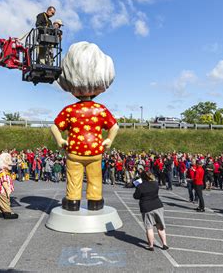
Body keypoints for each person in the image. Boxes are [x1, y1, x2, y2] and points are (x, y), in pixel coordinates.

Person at [51, 42, 119, 211]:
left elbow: (55, 126)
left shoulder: (70, 110)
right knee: (95, 177)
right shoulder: (100, 110)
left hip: (74, 151)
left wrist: (60, 140)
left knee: (74, 178)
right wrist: (108, 141)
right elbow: (114, 127)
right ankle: (95, 201)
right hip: (95, 151)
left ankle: (73, 201)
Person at [133, 171, 168, 251]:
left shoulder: (140, 186)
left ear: (142, 178)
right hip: (157, 205)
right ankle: (164, 244)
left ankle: (151, 245)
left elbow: (136, 196)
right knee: (160, 226)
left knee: (149, 227)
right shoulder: (155, 183)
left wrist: (137, 186)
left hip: (146, 207)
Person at [0, 152, 19, 219]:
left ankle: (0, 212)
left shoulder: (4, 172)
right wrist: (8, 190)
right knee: (5, 202)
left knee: (1, 202)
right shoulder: (3, 172)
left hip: (0, 191)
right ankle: (7, 213)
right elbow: (4, 182)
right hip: (3, 191)